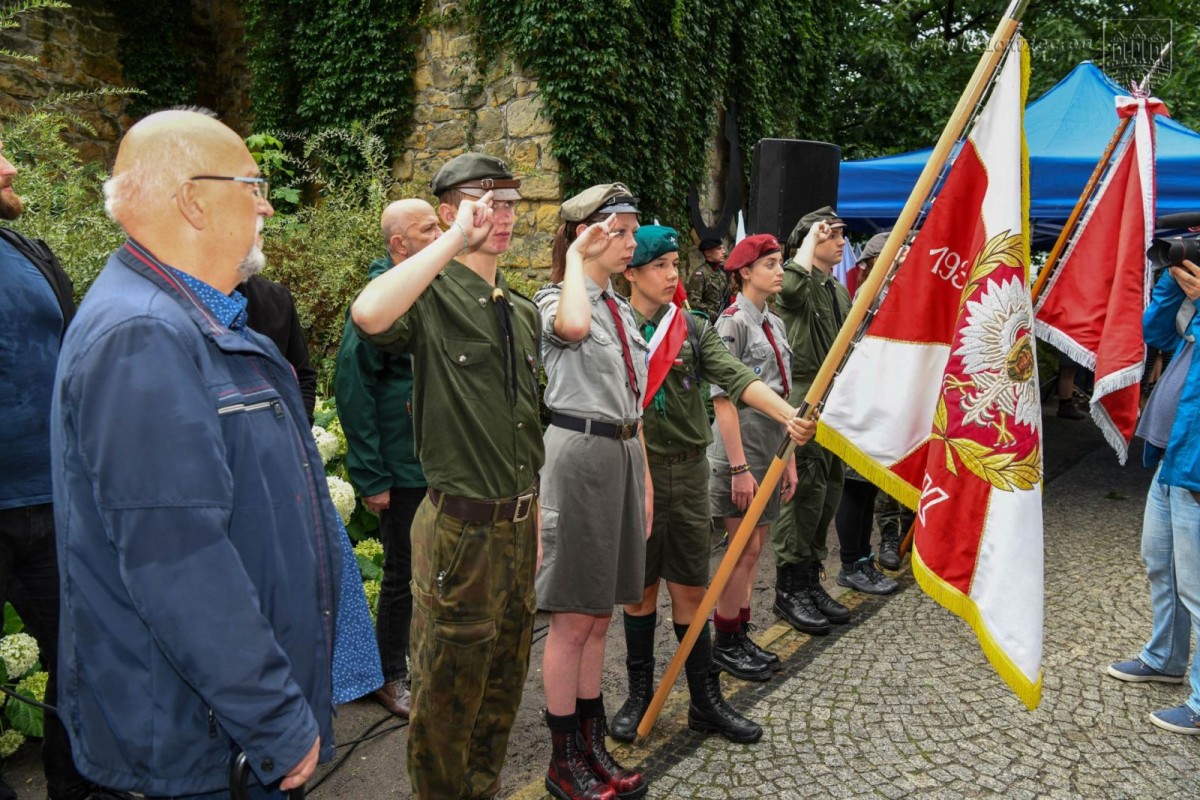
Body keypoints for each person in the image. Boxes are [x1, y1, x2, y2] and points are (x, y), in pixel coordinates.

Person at [50, 110, 353, 797]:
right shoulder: (143, 334)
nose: (267, 205)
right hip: (203, 742)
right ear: (193, 200)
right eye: (253, 186)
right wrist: (274, 718)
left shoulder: (190, 321)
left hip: (217, 729)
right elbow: (179, 560)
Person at [351, 153, 542, 799]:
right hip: (462, 530)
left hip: (518, 525)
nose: (501, 216)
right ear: (449, 212)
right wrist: (457, 239)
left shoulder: (518, 310)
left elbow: (526, 433)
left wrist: (534, 521)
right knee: (445, 697)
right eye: (484, 204)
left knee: (503, 685)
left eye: (509, 204)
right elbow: (369, 315)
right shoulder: (429, 293)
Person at [608, 225, 815, 746]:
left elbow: (738, 378)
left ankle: (705, 699)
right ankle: (639, 695)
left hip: (688, 472)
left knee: (691, 587)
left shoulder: (693, 327)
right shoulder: (612, 326)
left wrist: (788, 416)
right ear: (630, 272)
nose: (671, 274)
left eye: (674, 264)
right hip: (637, 471)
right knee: (640, 592)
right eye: (659, 266)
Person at [0, 141, 128, 800]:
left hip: (53, 499)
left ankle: (78, 786)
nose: (11, 167)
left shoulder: (27, 252)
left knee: (79, 656)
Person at [535, 183, 649, 800]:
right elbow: (573, 327)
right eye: (620, 231)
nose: (631, 243)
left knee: (600, 618)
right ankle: (562, 761)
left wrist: (644, 481)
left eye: (632, 231)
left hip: (621, 456)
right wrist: (577, 260)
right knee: (573, 618)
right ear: (587, 234)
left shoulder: (621, 310)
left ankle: (590, 744)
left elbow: (634, 405)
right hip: (579, 457)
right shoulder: (557, 298)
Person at [334, 199, 439, 720]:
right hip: (401, 466)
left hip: (437, 460)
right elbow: (353, 390)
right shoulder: (379, 299)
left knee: (436, 568)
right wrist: (373, 476)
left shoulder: (428, 287)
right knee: (402, 571)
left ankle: (424, 659)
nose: (440, 234)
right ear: (399, 244)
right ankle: (389, 673)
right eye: (428, 229)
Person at [1106, 257, 1200, 734]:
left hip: (1196, 468)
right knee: (1161, 565)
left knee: (1198, 588)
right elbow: (1156, 332)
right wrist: (1173, 281)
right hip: (1174, 456)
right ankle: (1165, 657)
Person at [706, 233, 798, 681]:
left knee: (755, 546)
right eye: (770, 264)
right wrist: (739, 468)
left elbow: (784, 395)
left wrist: (789, 459)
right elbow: (723, 398)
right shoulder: (732, 323)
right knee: (741, 548)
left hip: (770, 444)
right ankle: (725, 640)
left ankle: (739, 631)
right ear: (744, 272)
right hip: (740, 446)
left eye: (780, 263)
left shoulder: (773, 323)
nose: (780, 271)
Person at [769, 207, 863, 636]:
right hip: (805, 395)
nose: (841, 241)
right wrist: (808, 239)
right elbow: (789, 292)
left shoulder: (835, 289)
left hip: (833, 398)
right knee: (803, 492)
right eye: (832, 234)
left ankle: (809, 579)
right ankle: (789, 589)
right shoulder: (797, 281)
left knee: (828, 490)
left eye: (842, 233)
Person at [240, 274, 318, 423]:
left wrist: (301, 427)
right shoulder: (194, 305)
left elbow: (302, 376)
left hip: (278, 430)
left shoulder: (276, 298)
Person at [685, 235, 731, 320]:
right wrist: (715, 315)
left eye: (723, 248)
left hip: (722, 319)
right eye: (719, 249)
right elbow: (693, 303)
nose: (723, 252)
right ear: (708, 253)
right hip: (706, 321)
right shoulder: (700, 275)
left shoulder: (722, 274)